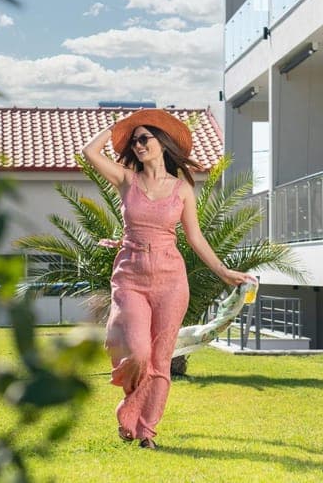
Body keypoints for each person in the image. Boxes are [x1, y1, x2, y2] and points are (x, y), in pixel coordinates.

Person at [82, 108, 256, 450]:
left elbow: (196, 238)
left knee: (161, 361)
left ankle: (146, 431)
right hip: (130, 276)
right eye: (134, 141)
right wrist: (121, 125)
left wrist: (224, 272)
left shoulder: (182, 189)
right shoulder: (125, 180)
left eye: (144, 138)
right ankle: (128, 408)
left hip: (171, 280)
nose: (138, 145)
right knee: (138, 351)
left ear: (162, 143)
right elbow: (90, 152)